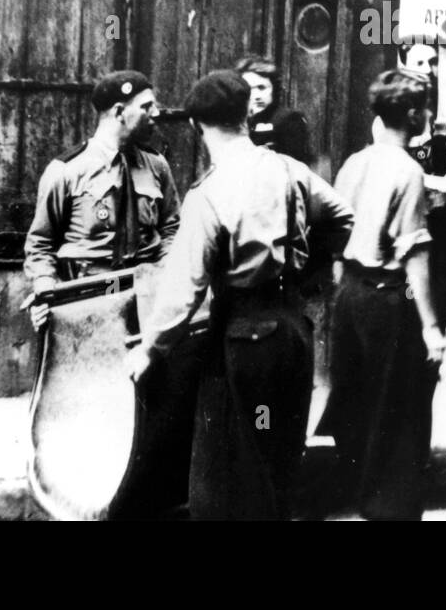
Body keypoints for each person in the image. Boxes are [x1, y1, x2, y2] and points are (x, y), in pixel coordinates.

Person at [128, 70, 354, 520]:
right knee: (279, 458)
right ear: (246, 115)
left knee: (232, 470)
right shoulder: (289, 169)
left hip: (243, 340)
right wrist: (306, 274)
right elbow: (342, 217)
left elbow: (182, 291)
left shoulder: (208, 194)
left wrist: (150, 351)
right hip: (293, 331)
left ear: (196, 126)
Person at [327, 70, 446, 521]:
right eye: (425, 108)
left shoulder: (355, 162)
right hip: (386, 297)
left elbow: (336, 236)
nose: (427, 115)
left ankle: (358, 495)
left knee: (356, 399)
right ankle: (388, 508)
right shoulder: (409, 170)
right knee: (397, 409)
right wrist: (432, 328)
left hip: (351, 293)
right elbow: (415, 251)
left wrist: (344, 291)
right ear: (413, 114)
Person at [22, 70, 180, 328]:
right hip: (88, 298)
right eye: (146, 107)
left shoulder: (157, 165)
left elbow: (171, 227)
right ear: (119, 112)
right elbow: (41, 242)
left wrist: (166, 274)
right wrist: (46, 292)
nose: (156, 114)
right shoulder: (67, 170)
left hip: (148, 297)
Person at [397, 36, 446, 331]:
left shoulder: (443, 108)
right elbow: (393, 167)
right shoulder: (393, 115)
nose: (427, 69)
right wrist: (439, 182)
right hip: (411, 219)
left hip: (442, 220)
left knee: (443, 289)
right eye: (419, 62)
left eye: (432, 62)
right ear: (404, 66)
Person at [236, 55, 312, 164]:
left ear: (274, 89)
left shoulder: (289, 119)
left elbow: (295, 164)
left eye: (261, 88)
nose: (256, 95)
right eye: (249, 88)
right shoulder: (237, 120)